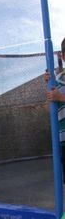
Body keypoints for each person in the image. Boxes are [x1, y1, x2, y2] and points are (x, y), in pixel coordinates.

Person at [45, 38, 65, 181]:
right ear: (63, 56)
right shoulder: (57, 81)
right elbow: (50, 109)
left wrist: (61, 97)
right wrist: (48, 87)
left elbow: (60, 98)